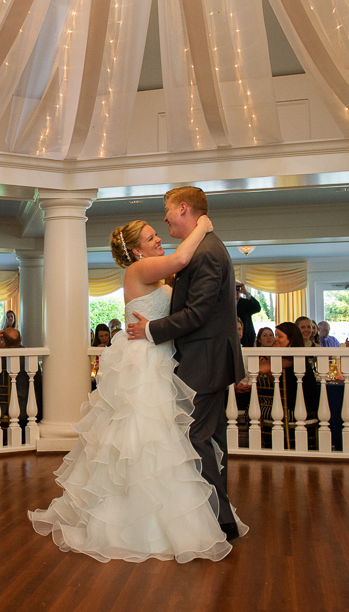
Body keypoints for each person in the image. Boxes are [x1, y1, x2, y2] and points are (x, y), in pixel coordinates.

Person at [31, 196, 245, 563]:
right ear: (135, 250)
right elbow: (181, 259)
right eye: (150, 237)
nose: (159, 235)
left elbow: (187, 286)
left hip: (165, 356)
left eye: (160, 227)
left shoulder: (161, 270)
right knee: (146, 440)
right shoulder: (139, 271)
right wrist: (203, 227)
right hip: (147, 360)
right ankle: (148, 520)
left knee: (174, 439)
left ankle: (204, 514)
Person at [124, 186, 247, 544]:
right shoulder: (202, 246)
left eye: (166, 212)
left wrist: (150, 329)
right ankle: (215, 518)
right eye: (151, 233)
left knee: (197, 438)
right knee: (207, 440)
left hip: (204, 359)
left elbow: (198, 314)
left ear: (182, 208)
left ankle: (216, 521)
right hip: (201, 359)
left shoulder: (205, 251)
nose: (163, 220)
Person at [236, 281, 261, 348]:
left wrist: (246, 293)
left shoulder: (245, 303)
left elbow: (257, 308)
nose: (235, 290)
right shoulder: (225, 303)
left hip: (246, 337)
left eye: (237, 288)